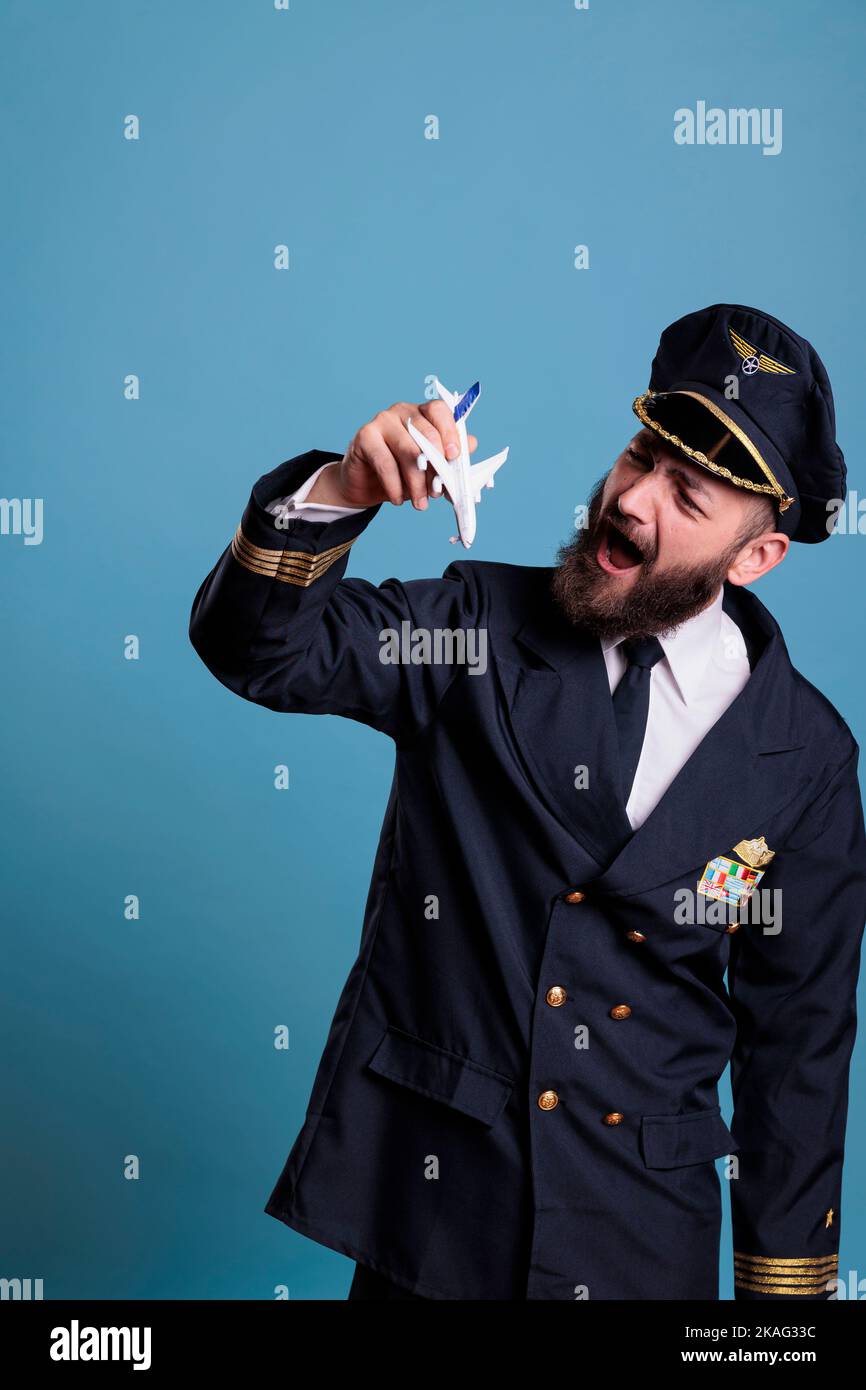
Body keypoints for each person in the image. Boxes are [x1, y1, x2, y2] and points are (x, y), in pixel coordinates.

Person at [189, 304, 866, 1300]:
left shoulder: (803, 759)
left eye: (686, 495)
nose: (633, 501)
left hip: (640, 1245)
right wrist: (342, 487)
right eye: (641, 456)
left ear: (753, 556)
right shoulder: (472, 631)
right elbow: (258, 650)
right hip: (432, 1221)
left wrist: (780, 1317)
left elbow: (797, 1046)